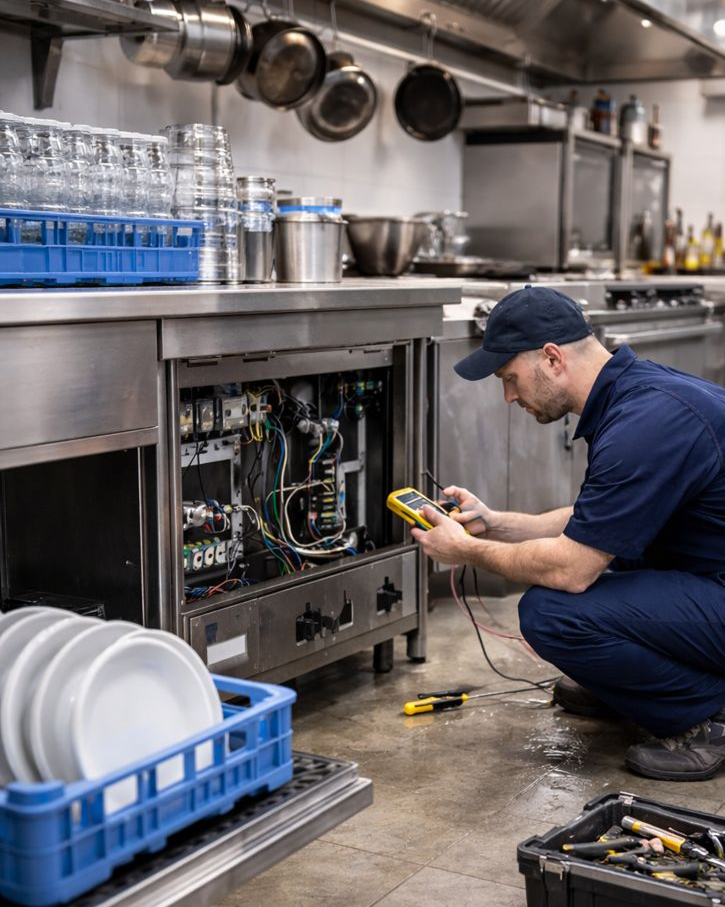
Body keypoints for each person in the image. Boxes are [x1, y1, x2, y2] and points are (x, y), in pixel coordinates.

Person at [412, 285, 725, 782]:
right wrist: (495, 523)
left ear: (552, 358)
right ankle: (633, 685)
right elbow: (603, 516)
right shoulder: (639, 393)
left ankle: (706, 717)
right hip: (709, 574)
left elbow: (571, 569)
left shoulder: (645, 422)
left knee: (552, 613)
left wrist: (466, 549)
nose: (509, 396)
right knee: (618, 554)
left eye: (509, 378)